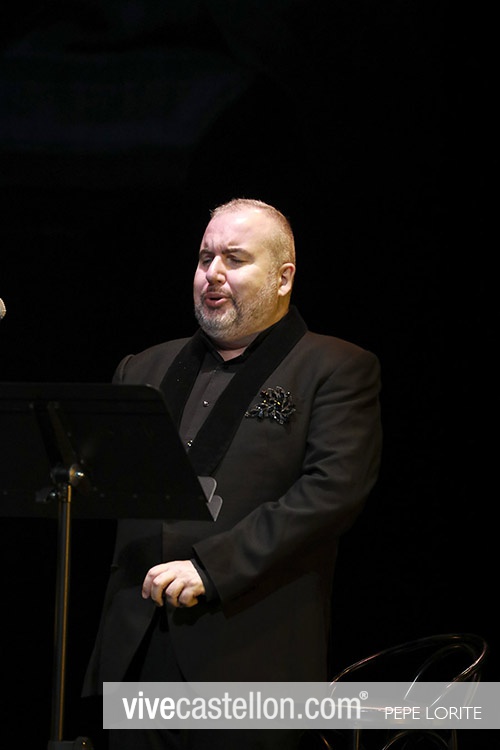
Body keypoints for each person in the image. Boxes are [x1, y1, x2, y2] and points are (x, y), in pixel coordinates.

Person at [82, 197, 382, 750]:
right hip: (136, 648)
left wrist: (210, 567)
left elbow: (331, 493)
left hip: (248, 651)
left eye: (235, 259)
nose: (213, 273)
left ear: (283, 277)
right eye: (205, 258)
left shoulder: (334, 368)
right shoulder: (143, 367)